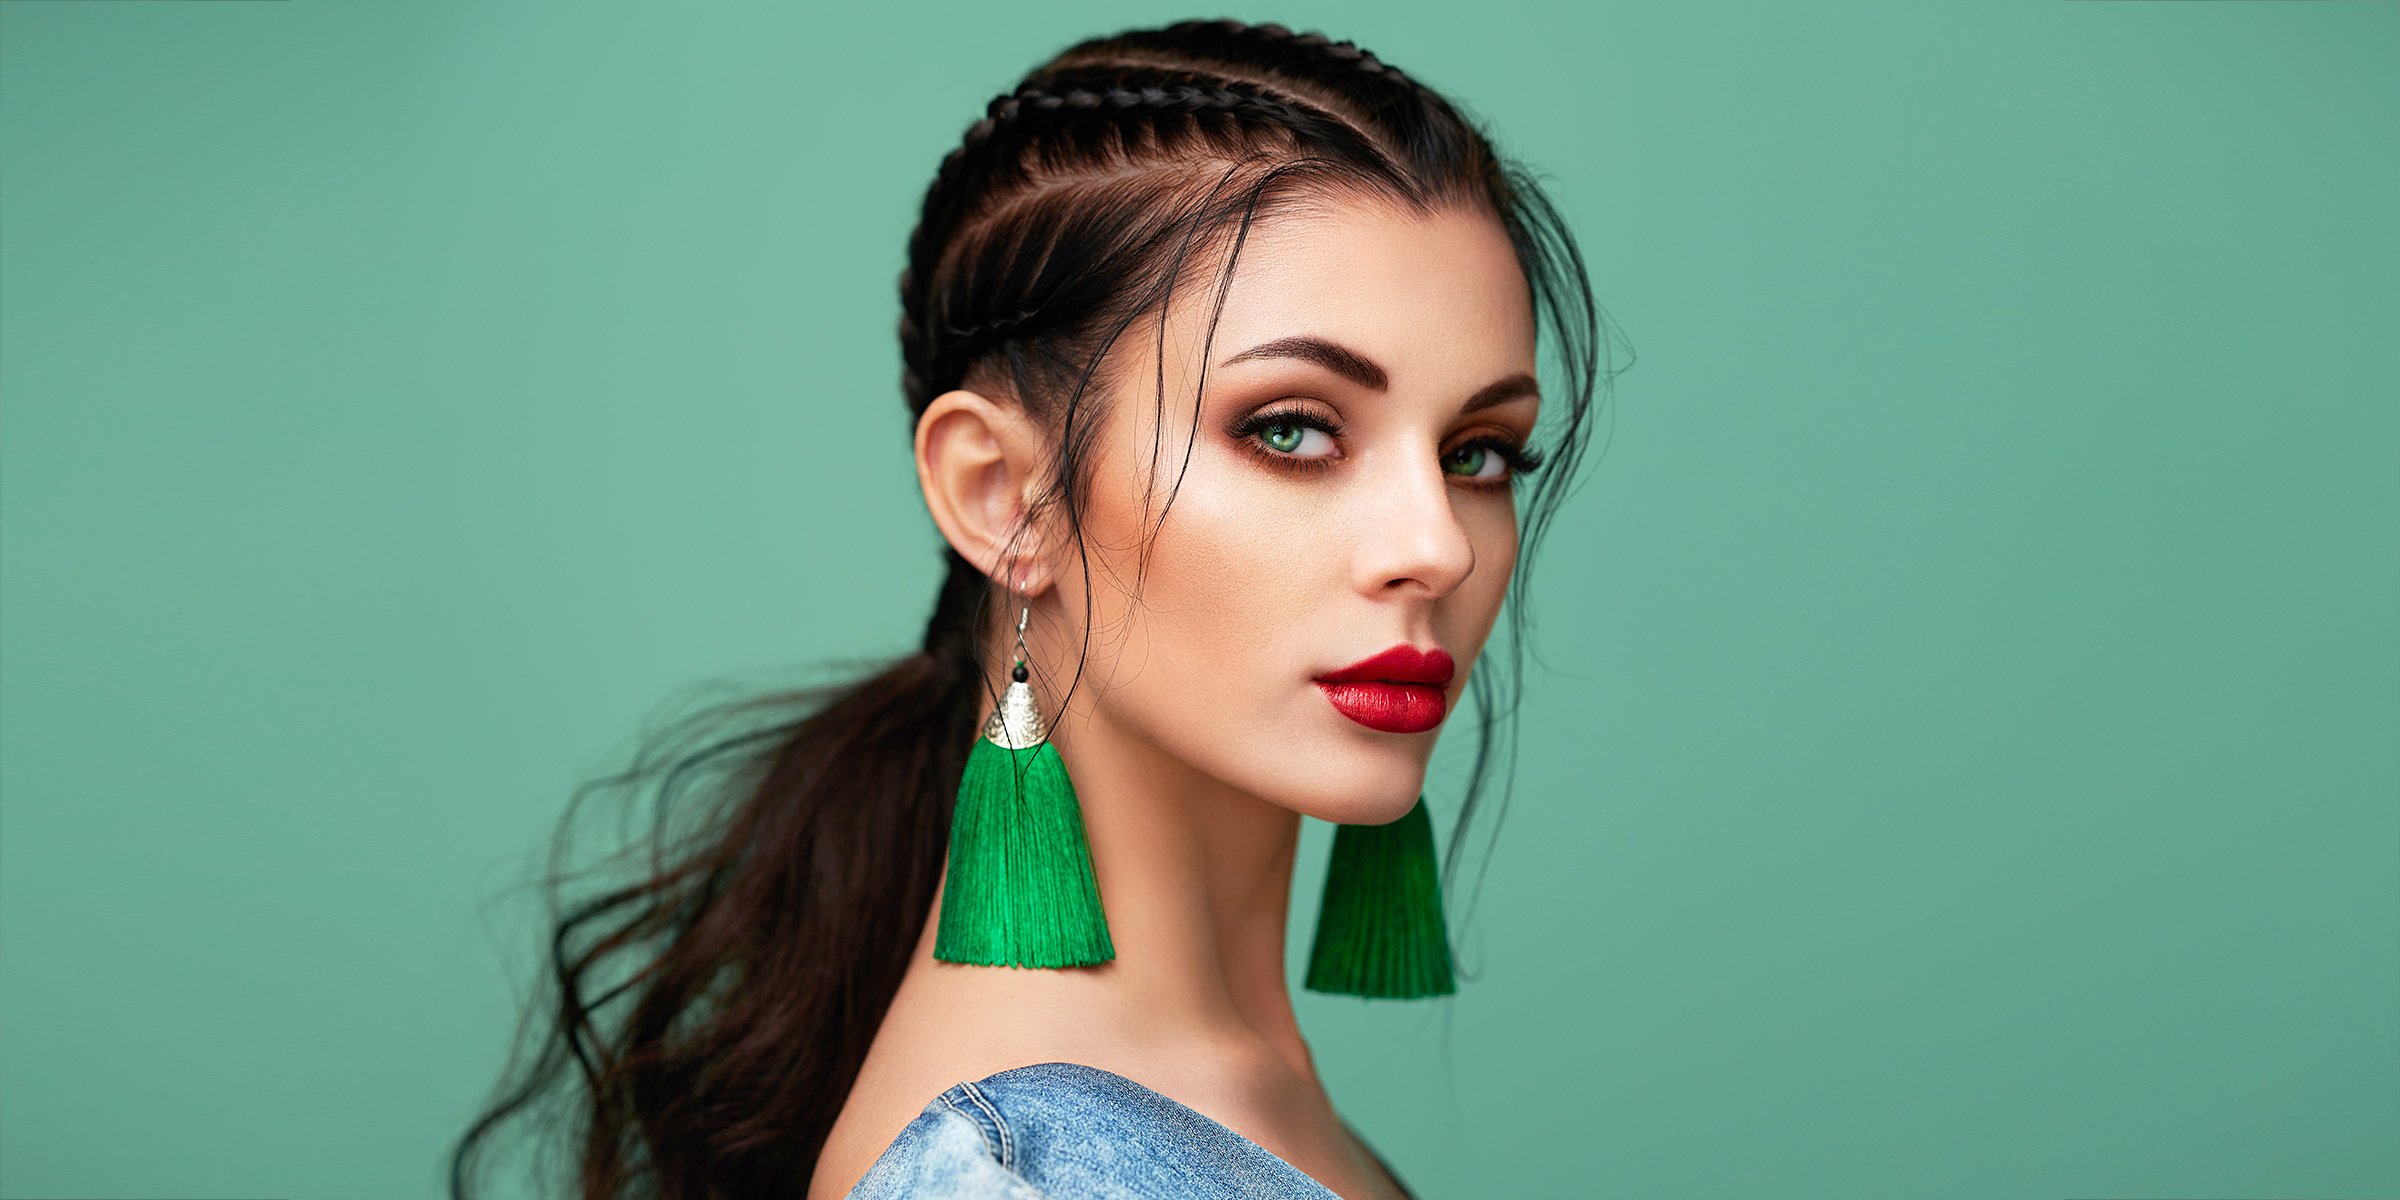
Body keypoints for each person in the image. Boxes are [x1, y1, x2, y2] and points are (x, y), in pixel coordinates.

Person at [451, 17, 1613, 1200]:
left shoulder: (1220, 1094)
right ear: (1005, 496)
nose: (1434, 548)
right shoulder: (1015, 1174)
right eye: (1291, 430)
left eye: (1478, 453)